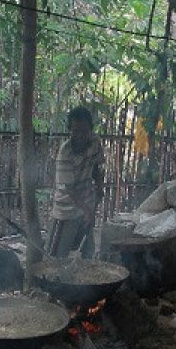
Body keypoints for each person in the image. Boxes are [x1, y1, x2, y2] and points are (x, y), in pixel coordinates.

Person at [48, 106, 105, 258]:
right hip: (66, 208)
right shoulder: (65, 153)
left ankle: (88, 279)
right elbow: (68, 189)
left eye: (85, 131)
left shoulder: (95, 141)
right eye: (76, 130)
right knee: (56, 257)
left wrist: (99, 187)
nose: (80, 135)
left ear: (90, 130)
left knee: (87, 251)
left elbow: (96, 167)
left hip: (87, 201)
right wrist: (86, 210)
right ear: (70, 130)